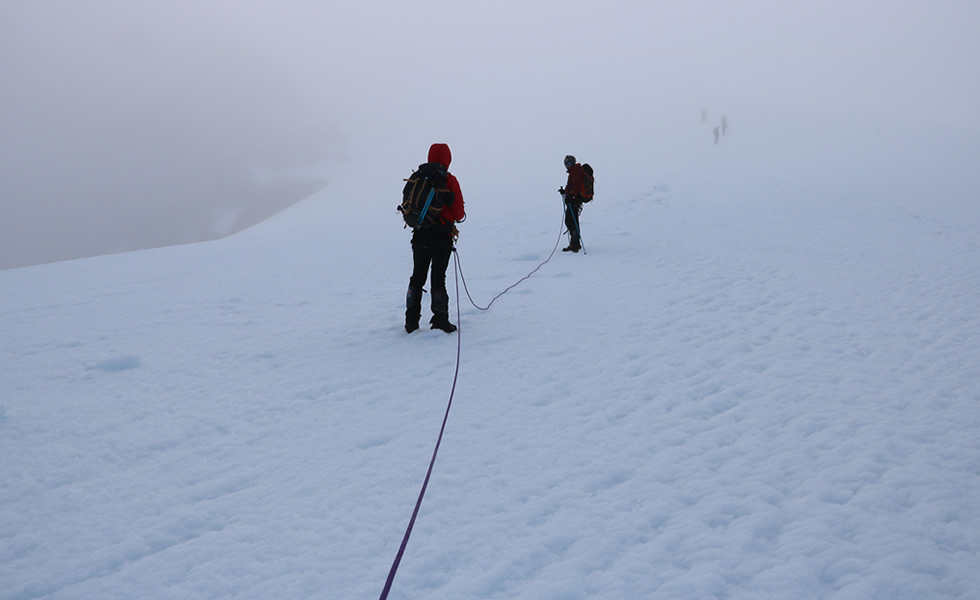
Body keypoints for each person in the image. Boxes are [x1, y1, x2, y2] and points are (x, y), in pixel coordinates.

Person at [405, 143, 466, 333]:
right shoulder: (449, 180)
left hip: (420, 234)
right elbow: (458, 214)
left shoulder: (419, 177)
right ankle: (440, 320)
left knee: (417, 277)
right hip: (441, 236)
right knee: (438, 277)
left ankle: (411, 321)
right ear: (448, 159)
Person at [558, 155, 585, 253]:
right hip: (573, 199)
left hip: (574, 200)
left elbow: (577, 184)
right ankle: (575, 243)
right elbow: (572, 186)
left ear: (572, 163)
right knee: (571, 221)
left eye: (568, 163)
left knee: (571, 221)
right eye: (565, 164)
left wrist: (572, 195)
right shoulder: (573, 172)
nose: (567, 166)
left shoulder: (575, 171)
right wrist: (565, 192)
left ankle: (575, 244)